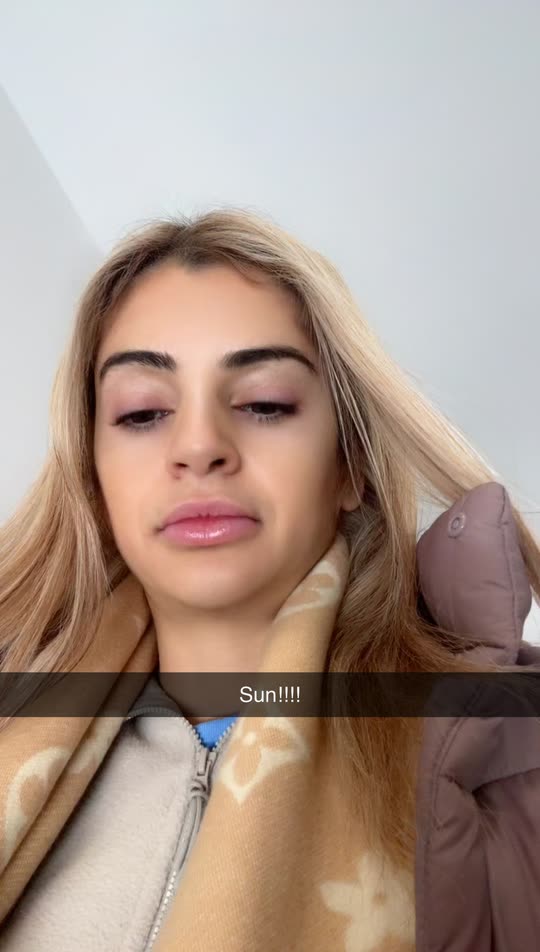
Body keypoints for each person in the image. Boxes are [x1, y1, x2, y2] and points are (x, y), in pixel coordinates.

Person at [0, 207, 539, 951]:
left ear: (349, 467)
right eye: (143, 412)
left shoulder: (510, 754)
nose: (199, 446)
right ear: (94, 478)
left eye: (264, 403)